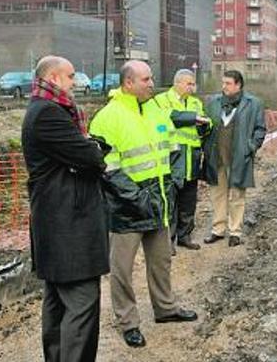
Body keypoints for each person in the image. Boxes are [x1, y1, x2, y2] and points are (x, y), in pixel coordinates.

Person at [89, 60, 197, 348]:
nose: (152, 84)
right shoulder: (107, 117)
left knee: (161, 261)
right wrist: (137, 198)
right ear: (128, 83)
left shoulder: (156, 109)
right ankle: (128, 322)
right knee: (122, 269)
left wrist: (172, 184)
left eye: (151, 78)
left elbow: (172, 147)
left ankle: (166, 308)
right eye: (146, 79)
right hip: (127, 206)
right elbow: (106, 167)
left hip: (159, 198)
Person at [21, 56, 110, 361]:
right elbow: (91, 158)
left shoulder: (44, 110)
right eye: (72, 76)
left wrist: (88, 148)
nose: (77, 82)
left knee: (57, 301)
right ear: (54, 78)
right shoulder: (48, 113)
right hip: (67, 227)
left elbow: (83, 152)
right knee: (82, 304)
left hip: (58, 222)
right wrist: (93, 149)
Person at [202, 70, 267, 247]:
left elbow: (260, 129)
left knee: (237, 194)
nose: (224, 86)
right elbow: (205, 126)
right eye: (223, 83)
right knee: (218, 194)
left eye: (228, 83)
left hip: (239, 156)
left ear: (238, 85)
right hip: (217, 156)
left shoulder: (253, 104)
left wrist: (251, 147)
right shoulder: (213, 103)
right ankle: (218, 230)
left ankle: (235, 231)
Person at [153, 69, 211, 251]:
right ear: (177, 83)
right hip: (172, 158)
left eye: (193, 84)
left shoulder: (195, 102)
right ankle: (168, 241)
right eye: (189, 83)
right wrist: (194, 118)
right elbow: (171, 117)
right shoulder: (162, 100)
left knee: (189, 201)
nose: (192, 87)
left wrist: (206, 125)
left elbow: (202, 127)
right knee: (170, 202)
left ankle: (184, 236)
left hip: (191, 159)